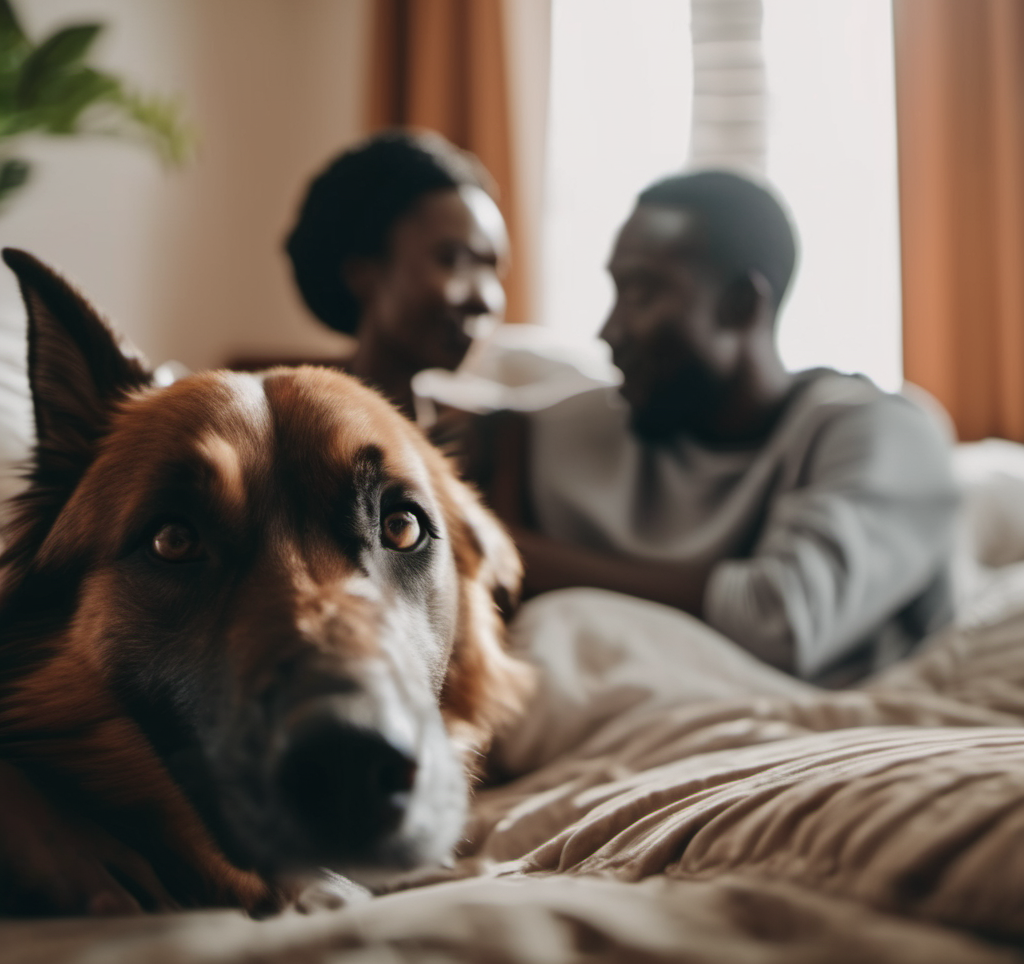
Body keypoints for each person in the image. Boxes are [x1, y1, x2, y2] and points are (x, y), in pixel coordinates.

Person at [494, 170, 958, 685]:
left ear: (741, 306)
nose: (609, 331)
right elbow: (486, 428)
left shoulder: (885, 433)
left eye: (642, 294)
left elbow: (782, 622)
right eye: (615, 291)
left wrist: (513, 554)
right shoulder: (591, 420)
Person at [285, 130, 509, 417]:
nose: (484, 300)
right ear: (362, 273)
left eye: (493, 269)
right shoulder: (304, 440)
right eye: (454, 261)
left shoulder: (489, 442)